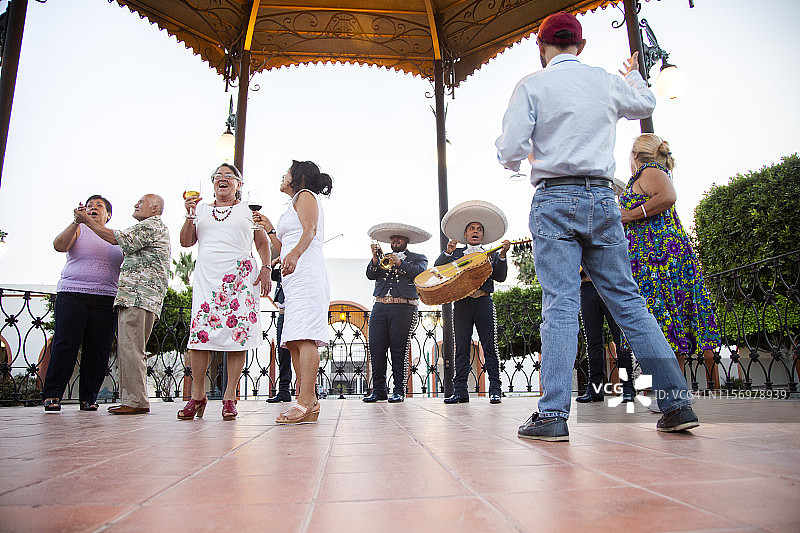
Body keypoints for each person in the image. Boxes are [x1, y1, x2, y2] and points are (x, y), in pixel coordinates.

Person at [495, 11, 698, 441]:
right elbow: (645, 105)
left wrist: (520, 158)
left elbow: (510, 147)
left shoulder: (532, 85)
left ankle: (552, 415)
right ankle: (676, 403)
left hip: (555, 197)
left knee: (561, 304)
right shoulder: (605, 81)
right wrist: (635, 78)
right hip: (604, 198)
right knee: (627, 301)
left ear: (542, 48)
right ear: (580, 45)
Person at [620, 134, 721, 384]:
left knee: (663, 317)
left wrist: (631, 214)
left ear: (635, 154)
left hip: (659, 256)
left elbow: (668, 196)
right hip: (653, 255)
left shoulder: (649, 171)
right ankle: (674, 387)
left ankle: (672, 388)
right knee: (668, 318)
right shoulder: (648, 173)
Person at [178, 163, 271, 421]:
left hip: (240, 278)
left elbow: (262, 242)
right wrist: (189, 216)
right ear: (213, 184)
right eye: (218, 176)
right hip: (208, 279)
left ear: (238, 185)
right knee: (200, 337)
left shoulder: (247, 210)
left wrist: (266, 269)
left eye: (229, 176)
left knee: (236, 335)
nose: (223, 179)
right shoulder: (202, 210)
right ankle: (197, 396)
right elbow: (186, 242)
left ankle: (230, 396)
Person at [74, 194, 171, 415]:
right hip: (142, 296)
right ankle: (133, 398)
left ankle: (136, 400)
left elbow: (114, 237)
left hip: (138, 295)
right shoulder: (153, 227)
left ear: (154, 208)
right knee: (131, 347)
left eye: (141, 202)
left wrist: (86, 220)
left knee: (131, 348)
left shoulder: (151, 225)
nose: (135, 205)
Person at [253, 160, 333, 424]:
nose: (283, 175)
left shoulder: (306, 196)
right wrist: (270, 229)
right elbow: (281, 246)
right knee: (294, 338)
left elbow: (309, 230)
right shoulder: (291, 204)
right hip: (293, 277)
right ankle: (308, 400)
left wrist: (296, 254)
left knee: (306, 334)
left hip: (308, 271)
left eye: (286, 172)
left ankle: (306, 401)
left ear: (297, 177)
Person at [42, 195, 124, 412]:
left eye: (99, 206)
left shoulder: (115, 236)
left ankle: (89, 397)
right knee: (65, 344)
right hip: (72, 294)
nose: (94, 208)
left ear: (109, 214)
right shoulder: (79, 229)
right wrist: (77, 221)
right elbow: (59, 246)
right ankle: (52, 395)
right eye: (90, 206)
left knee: (98, 349)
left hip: (106, 298)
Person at [435, 200, 510, 404]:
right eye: (471, 229)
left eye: (478, 229)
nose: (475, 232)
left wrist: (502, 256)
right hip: (462, 304)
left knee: (489, 346)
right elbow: (439, 269)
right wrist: (448, 252)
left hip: (484, 302)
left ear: (482, 235)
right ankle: (460, 391)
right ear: (465, 234)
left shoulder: (491, 253)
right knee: (461, 347)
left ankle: (495, 389)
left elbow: (500, 277)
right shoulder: (457, 253)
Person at [362, 223, 430, 403]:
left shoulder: (418, 258)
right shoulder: (381, 257)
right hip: (380, 305)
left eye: (399, 238)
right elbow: (370, 275)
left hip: (404, 306)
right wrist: (375, 259)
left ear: (406, 240)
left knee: (399, 350)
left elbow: (420, 274)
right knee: (376, 348)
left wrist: (400, 263)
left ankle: (399, 390)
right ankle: (379, 390)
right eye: (392, 238)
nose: (395, 240)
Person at [577, 269, 634, 403]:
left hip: (610, 284)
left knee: (620, 339)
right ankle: (595, 390)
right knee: (593, 341)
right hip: (587, 287)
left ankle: (628, 388)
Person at [266, 258, 293, 403]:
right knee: (282, 354)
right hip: (282, 313)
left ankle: (309, 390)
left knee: (299, 351)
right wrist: (276, 260)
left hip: (295, 312)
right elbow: (268, 273)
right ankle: (284, 390)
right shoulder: (281, 271)